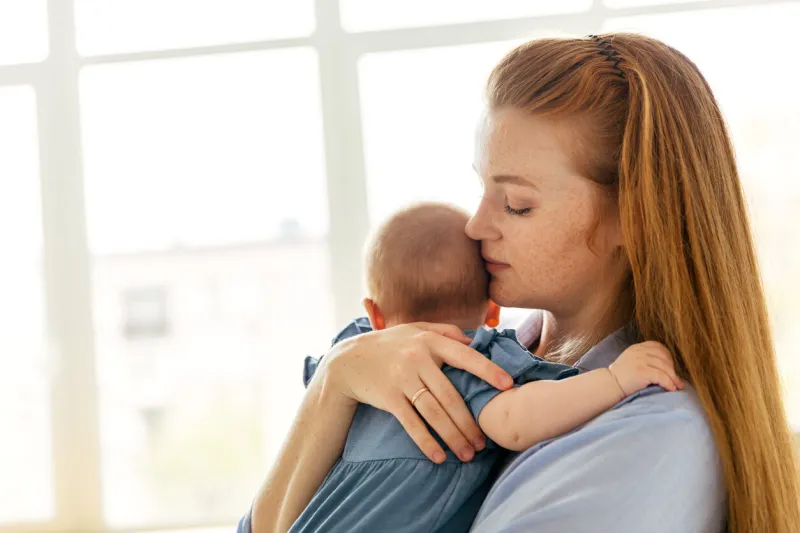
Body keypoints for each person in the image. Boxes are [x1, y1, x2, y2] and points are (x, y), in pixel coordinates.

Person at [241, 33, 800, 533]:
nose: (477, 226)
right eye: (482, 189)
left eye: (516, 204)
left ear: (634, 217)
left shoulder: (651, 436)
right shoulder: (466, 353)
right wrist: (333, 382)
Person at [289, 202, 682, 532]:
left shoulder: (353, 352)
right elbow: (515, 420)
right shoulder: (472, 361)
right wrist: (614, 379)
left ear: (374, 314)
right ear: (493, 311)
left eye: (517, 205)